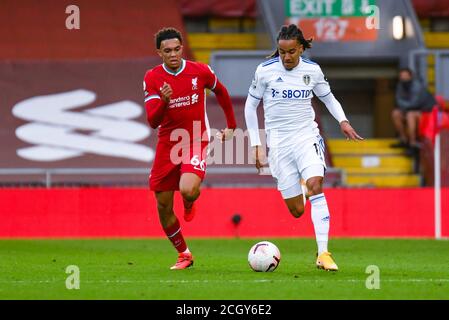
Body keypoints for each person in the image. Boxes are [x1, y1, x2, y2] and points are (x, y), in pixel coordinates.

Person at [244, 24, 363, 271]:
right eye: (281, 52)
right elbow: (249, 106)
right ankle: (302, 184)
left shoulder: (312, 70)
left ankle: (323, 253)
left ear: (300, 49)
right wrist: (256, 144)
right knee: (297, 210)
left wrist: (343, 121)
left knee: (316, 185)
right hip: (278, 144)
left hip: (306, 137)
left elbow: (328, 97)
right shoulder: (265, 71)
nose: (286, 57)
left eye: (291, 52)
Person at [143, 27, 237, 270]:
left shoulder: (200, 71)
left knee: (187, 189)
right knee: (163, 205)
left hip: (196, 138)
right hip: (167, 142)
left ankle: (189, 200)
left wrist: (232, 125)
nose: (173, 54)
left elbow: (222, 91)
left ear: (181, 48)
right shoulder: (152, 78)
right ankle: (184, 254)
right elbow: (153, 122)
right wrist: (164, 101)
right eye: (167, 51)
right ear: (159, 53)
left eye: (176, 49)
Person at [391, 67, 436, 155]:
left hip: (426, 112)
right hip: (410, 109)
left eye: (405, 76)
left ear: (410, 76)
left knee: (410, 115)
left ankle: (412, 143)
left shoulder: (417, 85)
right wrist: (403, 106)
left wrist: (403, 105)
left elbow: (415, 103)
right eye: (401, 76)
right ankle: (403, 140)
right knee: (395, 113)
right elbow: (398, 100)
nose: (403, 78)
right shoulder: (400, 85)